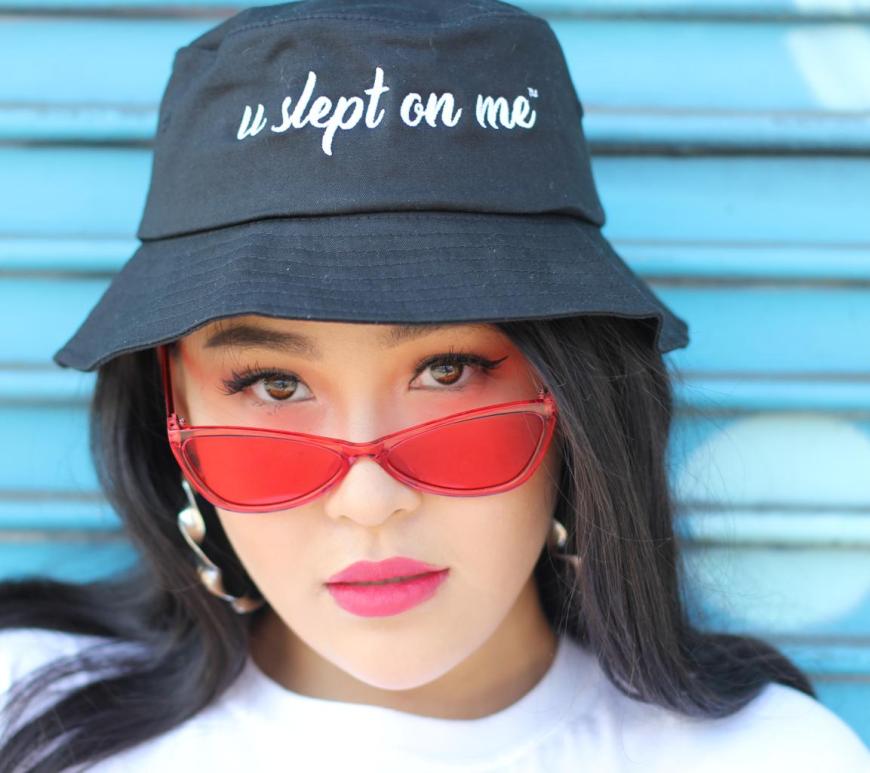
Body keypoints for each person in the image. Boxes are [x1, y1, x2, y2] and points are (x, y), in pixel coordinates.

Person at [1, 0, 868, 771]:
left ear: (582, 405)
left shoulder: (773, 758)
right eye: (273, 384)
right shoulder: (27, 712)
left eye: (447, 372)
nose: (369, 501)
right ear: (171, 403)